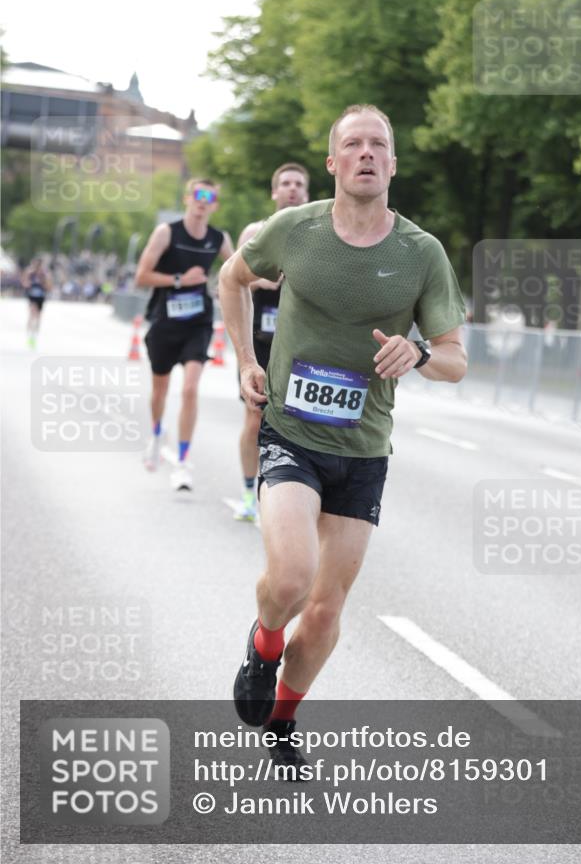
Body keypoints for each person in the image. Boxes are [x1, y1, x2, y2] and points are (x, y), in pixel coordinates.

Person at [219, 104, 467, 772]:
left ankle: (282, 720)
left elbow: (453, 358)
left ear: (391, 162)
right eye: (351, 144)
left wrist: (416, 356)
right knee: (292, 578)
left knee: (325, 612)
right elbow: (232, 279)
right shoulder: (293, 230)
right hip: (291, 433)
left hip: (361, 450)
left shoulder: (420, 254)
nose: (364, 153)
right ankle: (264, 644)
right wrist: (245, 357)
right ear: (333, 163)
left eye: (376, 144)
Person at [135, 179, 234, 491]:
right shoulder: (167, 232)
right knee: (160, 390)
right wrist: (180, 279)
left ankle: (182, 461)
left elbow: (235, 270)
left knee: (190, 389)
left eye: (210, 197)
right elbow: (141, 276)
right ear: (187, 198)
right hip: (165, 321)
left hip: (198, 323)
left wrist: (225, 285)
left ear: (215, 204)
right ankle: (155, 433)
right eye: (198, 195)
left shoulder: (219, 238)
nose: (203, 201)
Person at [233, 163, 310, 522]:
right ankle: (250, 494)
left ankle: (288, 497)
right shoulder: (255, 231)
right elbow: (232, 283)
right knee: (255, 419)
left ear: (306, 195)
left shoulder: (315, 235)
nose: (292, 189)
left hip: (299, 345)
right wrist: (263, 281)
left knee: (295, 425)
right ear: (274, 192)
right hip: (261, 342)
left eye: (298, 184)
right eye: (285, 183)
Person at [22, 257, 51, 349]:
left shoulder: (44, 274)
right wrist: (28, 284)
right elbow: (24, 283)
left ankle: (35, 334)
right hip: (32, 296)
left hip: (41, 296)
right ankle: (29, 334)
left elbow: (49, 286)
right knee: (32, 312)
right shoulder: (30, 273)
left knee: (38, 315)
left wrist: (43, 283)